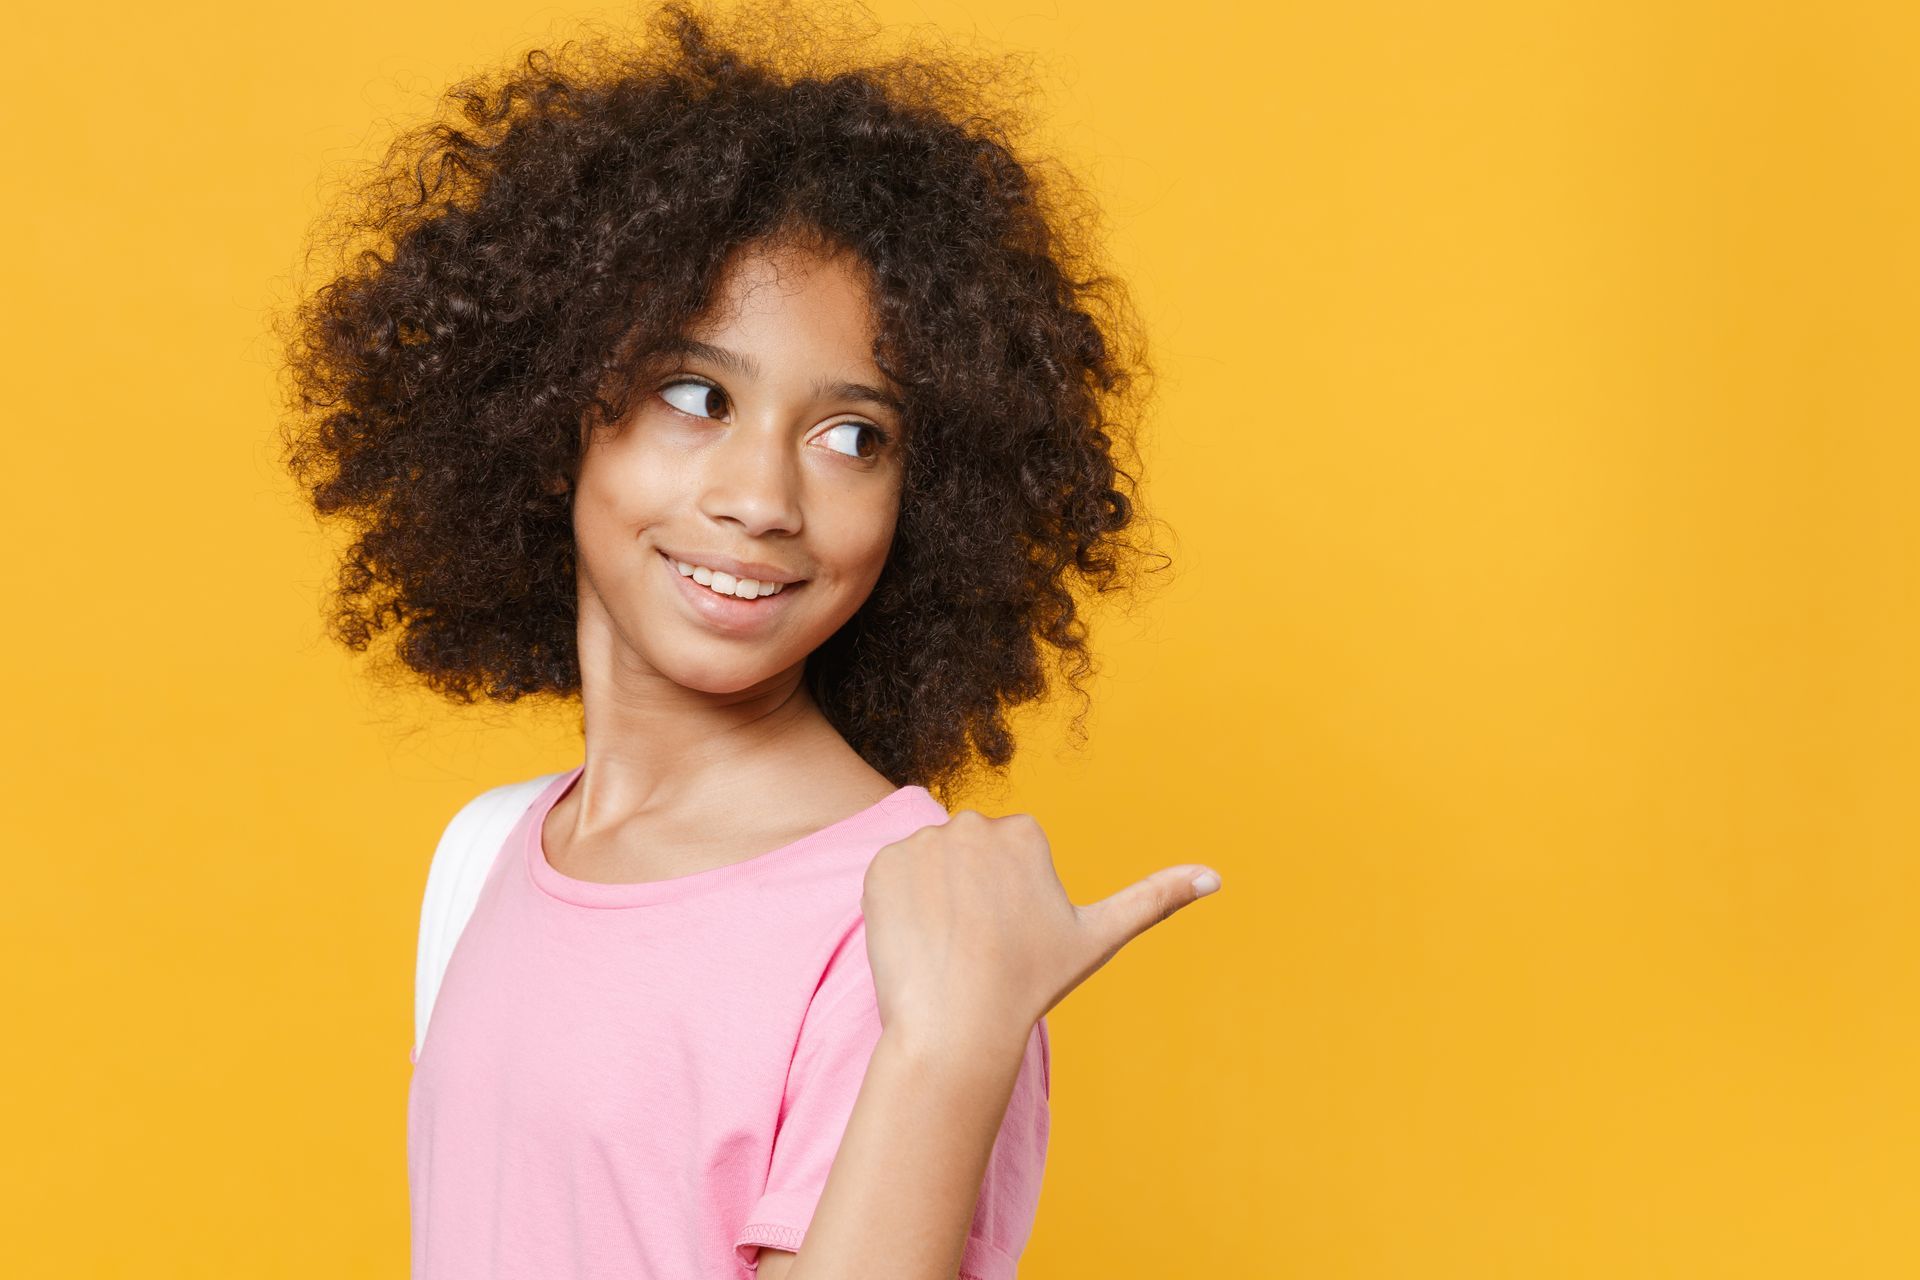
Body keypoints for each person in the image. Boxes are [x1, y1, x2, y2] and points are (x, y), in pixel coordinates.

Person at [276, 3, 1222, 1276]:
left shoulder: (910, 935)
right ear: (552, 410)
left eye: (852, 436)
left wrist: (949, 1046)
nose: (764, 497)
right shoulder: (486, 852)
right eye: (694, 395)